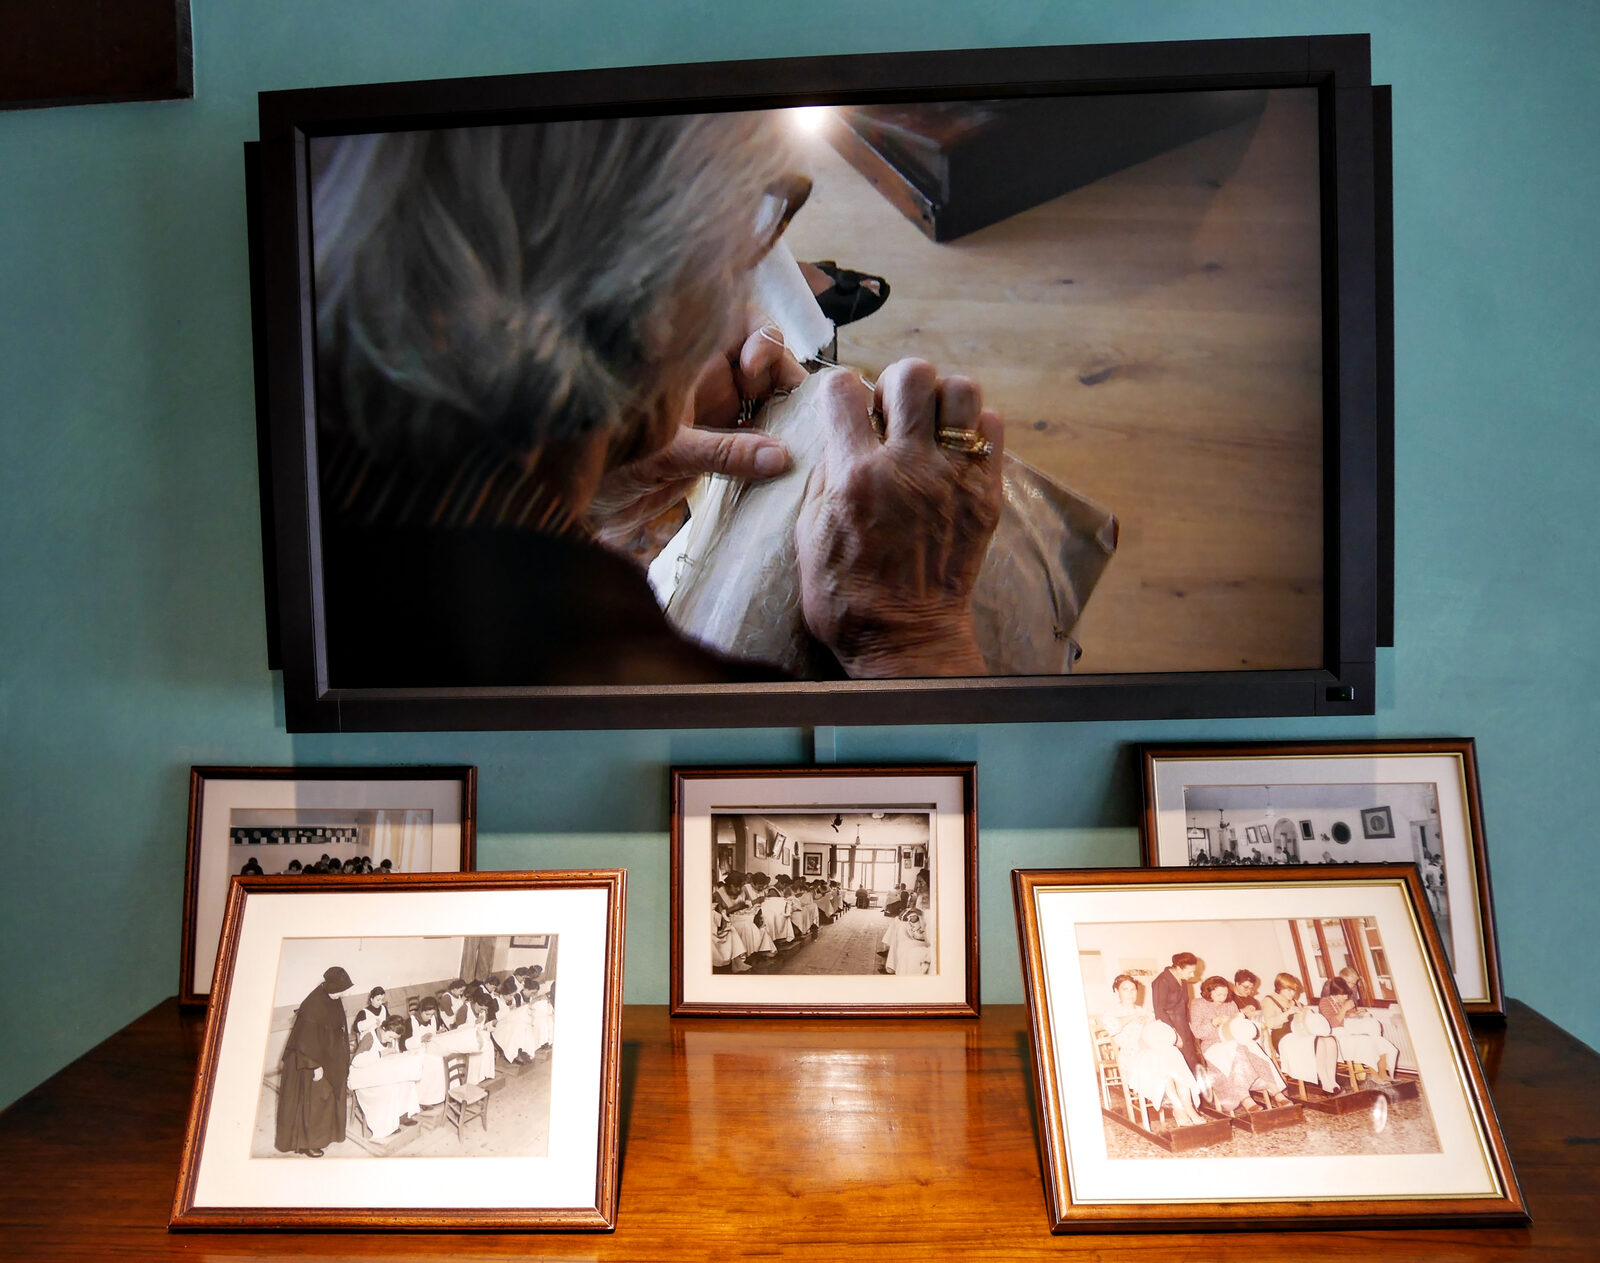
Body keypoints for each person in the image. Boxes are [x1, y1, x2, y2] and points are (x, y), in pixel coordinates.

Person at [311, 117, 1005, 690]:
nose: (745, 285)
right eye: (750, 233)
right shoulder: (652, 691)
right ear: (649, 300)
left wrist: (580, 477)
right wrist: (911, 637)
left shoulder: (300, 467)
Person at [1099, 975, 1205, 1127]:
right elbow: (1112, 1027)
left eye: (1133, 989)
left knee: (1172, 1052)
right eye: (1125, 989)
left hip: (1153, 1050)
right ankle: (1178, 1107)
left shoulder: (1144, 1011)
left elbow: (1157, 1032)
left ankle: (1188, 1107)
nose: (1130, 993)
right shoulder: (1111, 1012)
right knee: (1164, 1059)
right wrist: (1134, 1017)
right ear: (1116, 991)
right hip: (1132, 1055)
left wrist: (1156, 1026)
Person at [274, 965, 355, 1157]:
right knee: (315, 1101)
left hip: (328, 1058)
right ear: (331, 987)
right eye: (341, 990)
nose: (343, 994)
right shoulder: (313, 1005)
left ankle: (325, 1136)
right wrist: (315, 1066)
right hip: (309, 1061)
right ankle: (308, 1143)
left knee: (328, 1099)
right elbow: (304, 1041)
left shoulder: (332, 998)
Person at [1188, 976, 1292, 1115]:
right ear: (1208, 992)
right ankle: (1245, 1098)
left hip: (1234, 1040)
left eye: (1225, 994)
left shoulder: (1230, 1003)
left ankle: (1275, 1091)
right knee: (1236, 1049)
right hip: (1212, 1044)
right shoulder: (1198, 1004)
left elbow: (1236, 1024)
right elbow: (1198, 1032)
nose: (1223, 998)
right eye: (1219, 994)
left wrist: (1237, 1018)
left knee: (1252, 1047)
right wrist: (1214, 1022)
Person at [347, 1014, 424, 1140]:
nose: (390, 1040)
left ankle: (401, 1115)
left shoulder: (389, 1036)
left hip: (379, 1073)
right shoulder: (369, 1037)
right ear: (383, 1028)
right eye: (390, 1037)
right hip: (363, 1078)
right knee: (390, 1089)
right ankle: (386, 1126)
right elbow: (356, 1061)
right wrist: (381, 1053)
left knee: (406, 1082)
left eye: (393, 1038)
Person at [1152, 952, 1201, 1070]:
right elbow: (1159, 1011)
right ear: (1178, 968)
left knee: (1192, 1060)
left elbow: (1184, 1005)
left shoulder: (1183, 980)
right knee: (1180, 1064)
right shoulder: (1161, 981)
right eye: (1190, 972)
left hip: (1184, 1026)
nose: (1192, 975)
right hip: (1171, 1027)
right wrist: (1174, 1035)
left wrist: (1190, 1024)